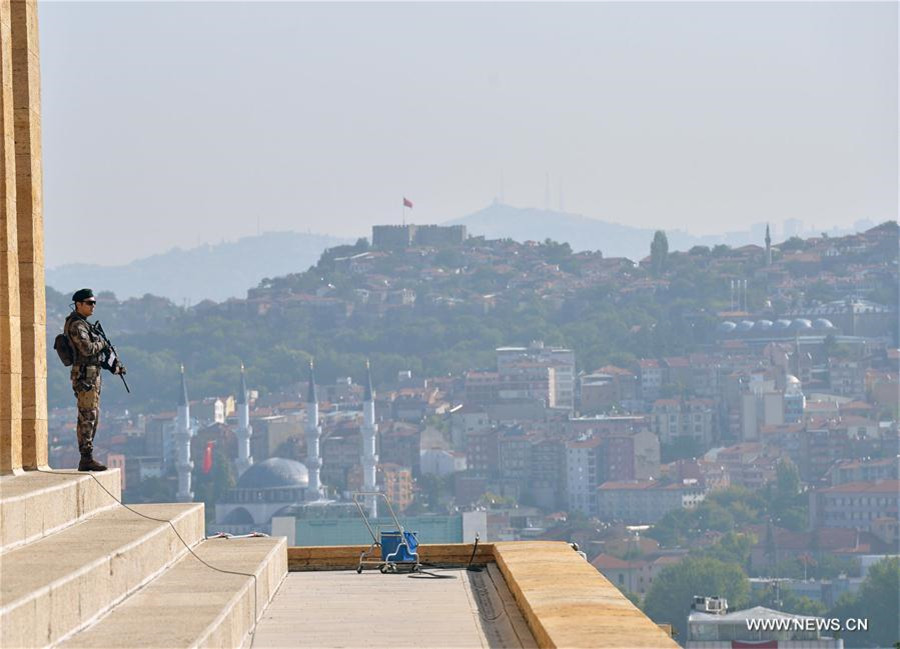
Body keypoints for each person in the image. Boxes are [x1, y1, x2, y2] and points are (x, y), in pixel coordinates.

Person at [64, 288, 126, 471]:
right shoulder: (77, 325)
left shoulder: (85, 324)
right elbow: (87, 349)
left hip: (91, 374)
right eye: (89, 303)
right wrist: (103, 343)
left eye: (94, 303)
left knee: (92, 415)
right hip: (85, 376)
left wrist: (112, 364)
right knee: (87, 416)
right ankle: (86, 457)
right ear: (78, 304)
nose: (93, 306)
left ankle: (87, 456)